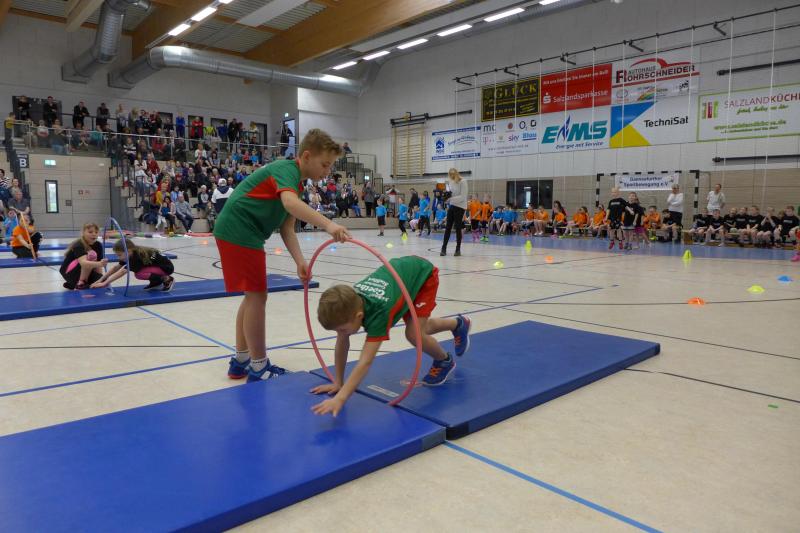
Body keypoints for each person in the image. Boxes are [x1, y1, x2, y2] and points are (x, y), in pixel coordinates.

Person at [214, 129, 350, 383]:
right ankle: (258, 366)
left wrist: (300, 261)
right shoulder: (286, 170)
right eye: (325, 164)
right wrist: (329, 225)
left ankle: (241, 361)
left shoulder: (295, 184)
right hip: (239, 230)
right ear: (306, 156)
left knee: (252, 296)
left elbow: (287, 228)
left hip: (239, 231)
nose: (328, 171)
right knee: (257, 297)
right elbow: (290, 204)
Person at [310, 256, 473, 416]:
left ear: (359, 316)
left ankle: (444, 361)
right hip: (402, 279)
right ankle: (458, 324)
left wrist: (340, 398)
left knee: (414, 334)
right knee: (422, 327)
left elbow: (365, 361)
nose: (341, 334)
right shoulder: (350, 304)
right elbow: (342, 341)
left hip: (422, 276)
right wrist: (338, 382)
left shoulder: (379, 314)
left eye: (342, 329)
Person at [92, 239, 175, 291]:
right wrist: (101, 279)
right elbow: (116, 268)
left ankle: (167, 279)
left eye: (119, 255)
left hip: (166, 268)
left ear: (128, 251)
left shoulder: (136, 257)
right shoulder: (130, 253)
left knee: (139, 274)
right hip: (159, 266)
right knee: (139, 272)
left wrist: (104, 283)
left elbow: (122, 272)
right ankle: (157, 282)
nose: (118, 257)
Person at [60, 223, 107, 290]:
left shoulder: (98, 245)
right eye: (90, 232)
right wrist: (100, 264)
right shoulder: (79, 245)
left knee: (103, 281)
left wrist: (99, 278)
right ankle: (81, 283)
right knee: (91, 255)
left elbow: (98, 264)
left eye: (96, 232)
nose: (94, 234)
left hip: (83, 271)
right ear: (83, 233)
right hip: (69, 272)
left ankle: (72, 284)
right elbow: (84, 263)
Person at [440, 168, 468, 257]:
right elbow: (450, 194)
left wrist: (450, 199)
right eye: (450, 175)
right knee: (448, 227)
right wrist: (446, 196)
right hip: (452, 205)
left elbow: (463, 197)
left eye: (453, 174)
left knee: (458, 227)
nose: (451, 176)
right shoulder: (451, 182)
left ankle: (458, 249)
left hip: (460, 207)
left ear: (456, 174)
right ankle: (443, 248)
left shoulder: (463, 181)